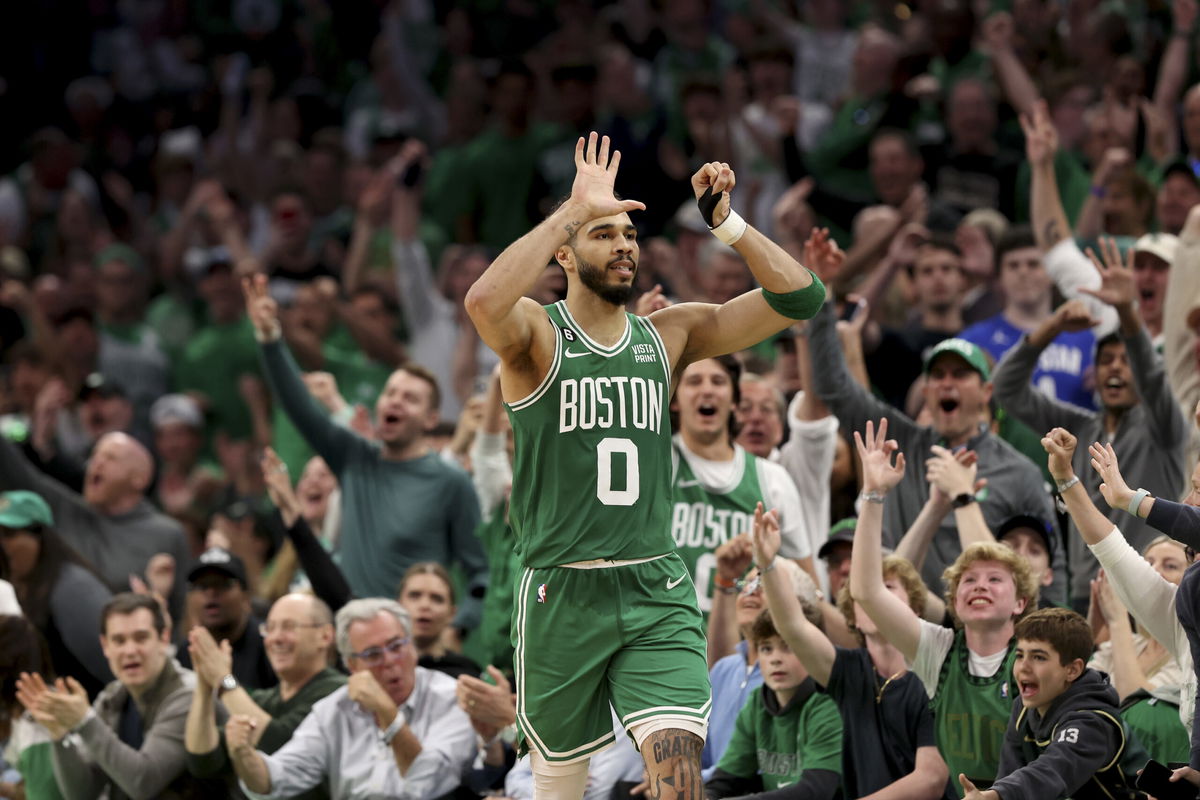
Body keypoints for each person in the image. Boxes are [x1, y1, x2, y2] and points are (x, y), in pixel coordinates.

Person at [463, 132, 824, 799]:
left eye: (629, 233)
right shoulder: (539, 336)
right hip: (558, 593)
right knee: (559, 790)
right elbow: (482, 303)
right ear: (564, 253)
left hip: (656, 589)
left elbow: (802, 299)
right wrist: (571, 211)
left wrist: (729, 225)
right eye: (604, 234)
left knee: (679, 782)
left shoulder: (670, 335)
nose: (624, 243)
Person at [243, 275, 488, 632]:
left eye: (410, 398)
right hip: (353, 642)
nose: (395, 401)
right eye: (391, 393)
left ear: (431, 418)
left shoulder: (450, 482)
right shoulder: (354, 456)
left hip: (414, 647)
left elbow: (480, 572)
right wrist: (270, 338)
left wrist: (457, 629)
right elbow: (300, 407)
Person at [992, 237, 1187, 609]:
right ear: (1093, 374)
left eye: (1124, 360)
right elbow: (1006, 389)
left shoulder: (1164, 426)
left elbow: (1153, 374)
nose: (1115, 367)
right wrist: (1054, 325)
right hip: (1086, 594)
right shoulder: (1077, 428)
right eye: (1106, 360)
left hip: (1150, 588)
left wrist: (1127, 312)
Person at [849, 419, 1040, 794]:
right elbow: (867, 591)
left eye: (994, 579)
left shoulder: (1039, 650)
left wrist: (963, 497)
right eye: (968, 580)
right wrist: (873, 495)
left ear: (1021, 602)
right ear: (953, 603)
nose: (980, 585)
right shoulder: (938, 651)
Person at [751, 502, 950, 799]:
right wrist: (768, 564)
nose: (872, 600)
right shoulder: (845, 669)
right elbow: (792, 625)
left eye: (887, 588)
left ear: (915, 607)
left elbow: (931, 779)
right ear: (852, 615)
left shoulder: (937, 672)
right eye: (864, 595)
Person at [1043, 429, 1199, 783]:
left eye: (1199, 491)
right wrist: (1066, 479)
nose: (1188, 501)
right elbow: (1114, 551)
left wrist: (1134, 500)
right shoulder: (1186, 616)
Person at [226, 598, 476, 800]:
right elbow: (276, 780)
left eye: (396, 646)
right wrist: (244, 756)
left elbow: (427, 783)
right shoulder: (333, 710)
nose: (389, 661)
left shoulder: (450, 698)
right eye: (373, 654)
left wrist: (387, 713)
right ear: (352, 666)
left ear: (412, 648)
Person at [17, 593, 202, 799]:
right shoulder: (112, 697)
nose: (130, 650)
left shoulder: (189, 694)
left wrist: (85, 721)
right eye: (119, 640)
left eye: (141, 637)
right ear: (105, 646)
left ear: (163, 639)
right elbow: (81, 794)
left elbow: (144, 783)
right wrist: (59, 736)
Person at [671, 355, 814, 613]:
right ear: (674, 400)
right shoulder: (656, 464)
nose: (707, 389)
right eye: (694, 381)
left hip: (748, 646)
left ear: (735, 401)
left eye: (718, 381)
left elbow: (809, 590)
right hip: (667, 643)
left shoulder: (772, 479)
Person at [958, 607, 1146, 800]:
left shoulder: (1091, 721)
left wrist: (995, 796)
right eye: (1020, 655)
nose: (1024, 667)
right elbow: (1009, 776)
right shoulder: (1023, 708)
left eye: (1039, 657)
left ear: (1072, 670)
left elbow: (1051, 773)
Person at [0, 430, 190, 612]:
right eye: (95, 455)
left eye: (110, 457)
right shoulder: (67, 510)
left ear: (140, 478)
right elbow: (15, 471)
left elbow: (183, 608)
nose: (96, 462)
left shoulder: (167, 533)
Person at [185, 593, 346, 798]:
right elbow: (203, 760)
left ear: (325, 635)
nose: (276, 638)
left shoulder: (338, 692)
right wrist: (204, 684)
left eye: (289, 627)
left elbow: (278, 742)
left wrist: (223, 679)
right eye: (269, 628)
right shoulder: (262, 701)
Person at [703, 606, 843, 800]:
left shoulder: (827, 703)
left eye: (789, 646)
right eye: (766, 648)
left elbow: (816, 790)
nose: (775, 659)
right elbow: (728, 778)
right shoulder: (757, 702)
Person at [0, 489, 112, 697]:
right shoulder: (14, 585)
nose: (1, 544)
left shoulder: (73, 589)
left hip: (86, 712)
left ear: (39, 536)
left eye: (8, 534)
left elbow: (110, 669)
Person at [177, 546, 276, 690]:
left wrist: (225, 679)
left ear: (245, 595)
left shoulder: (270, 644)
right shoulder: (188, 651)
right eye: (201, 586)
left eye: (222, 584)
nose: (211, 592)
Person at [398, 562, 481, 679]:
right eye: (415, 596)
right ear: (398, 605)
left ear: (452, 614)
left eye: (437, 599)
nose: (425, 605)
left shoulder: (467, 676)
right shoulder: (382, 668)